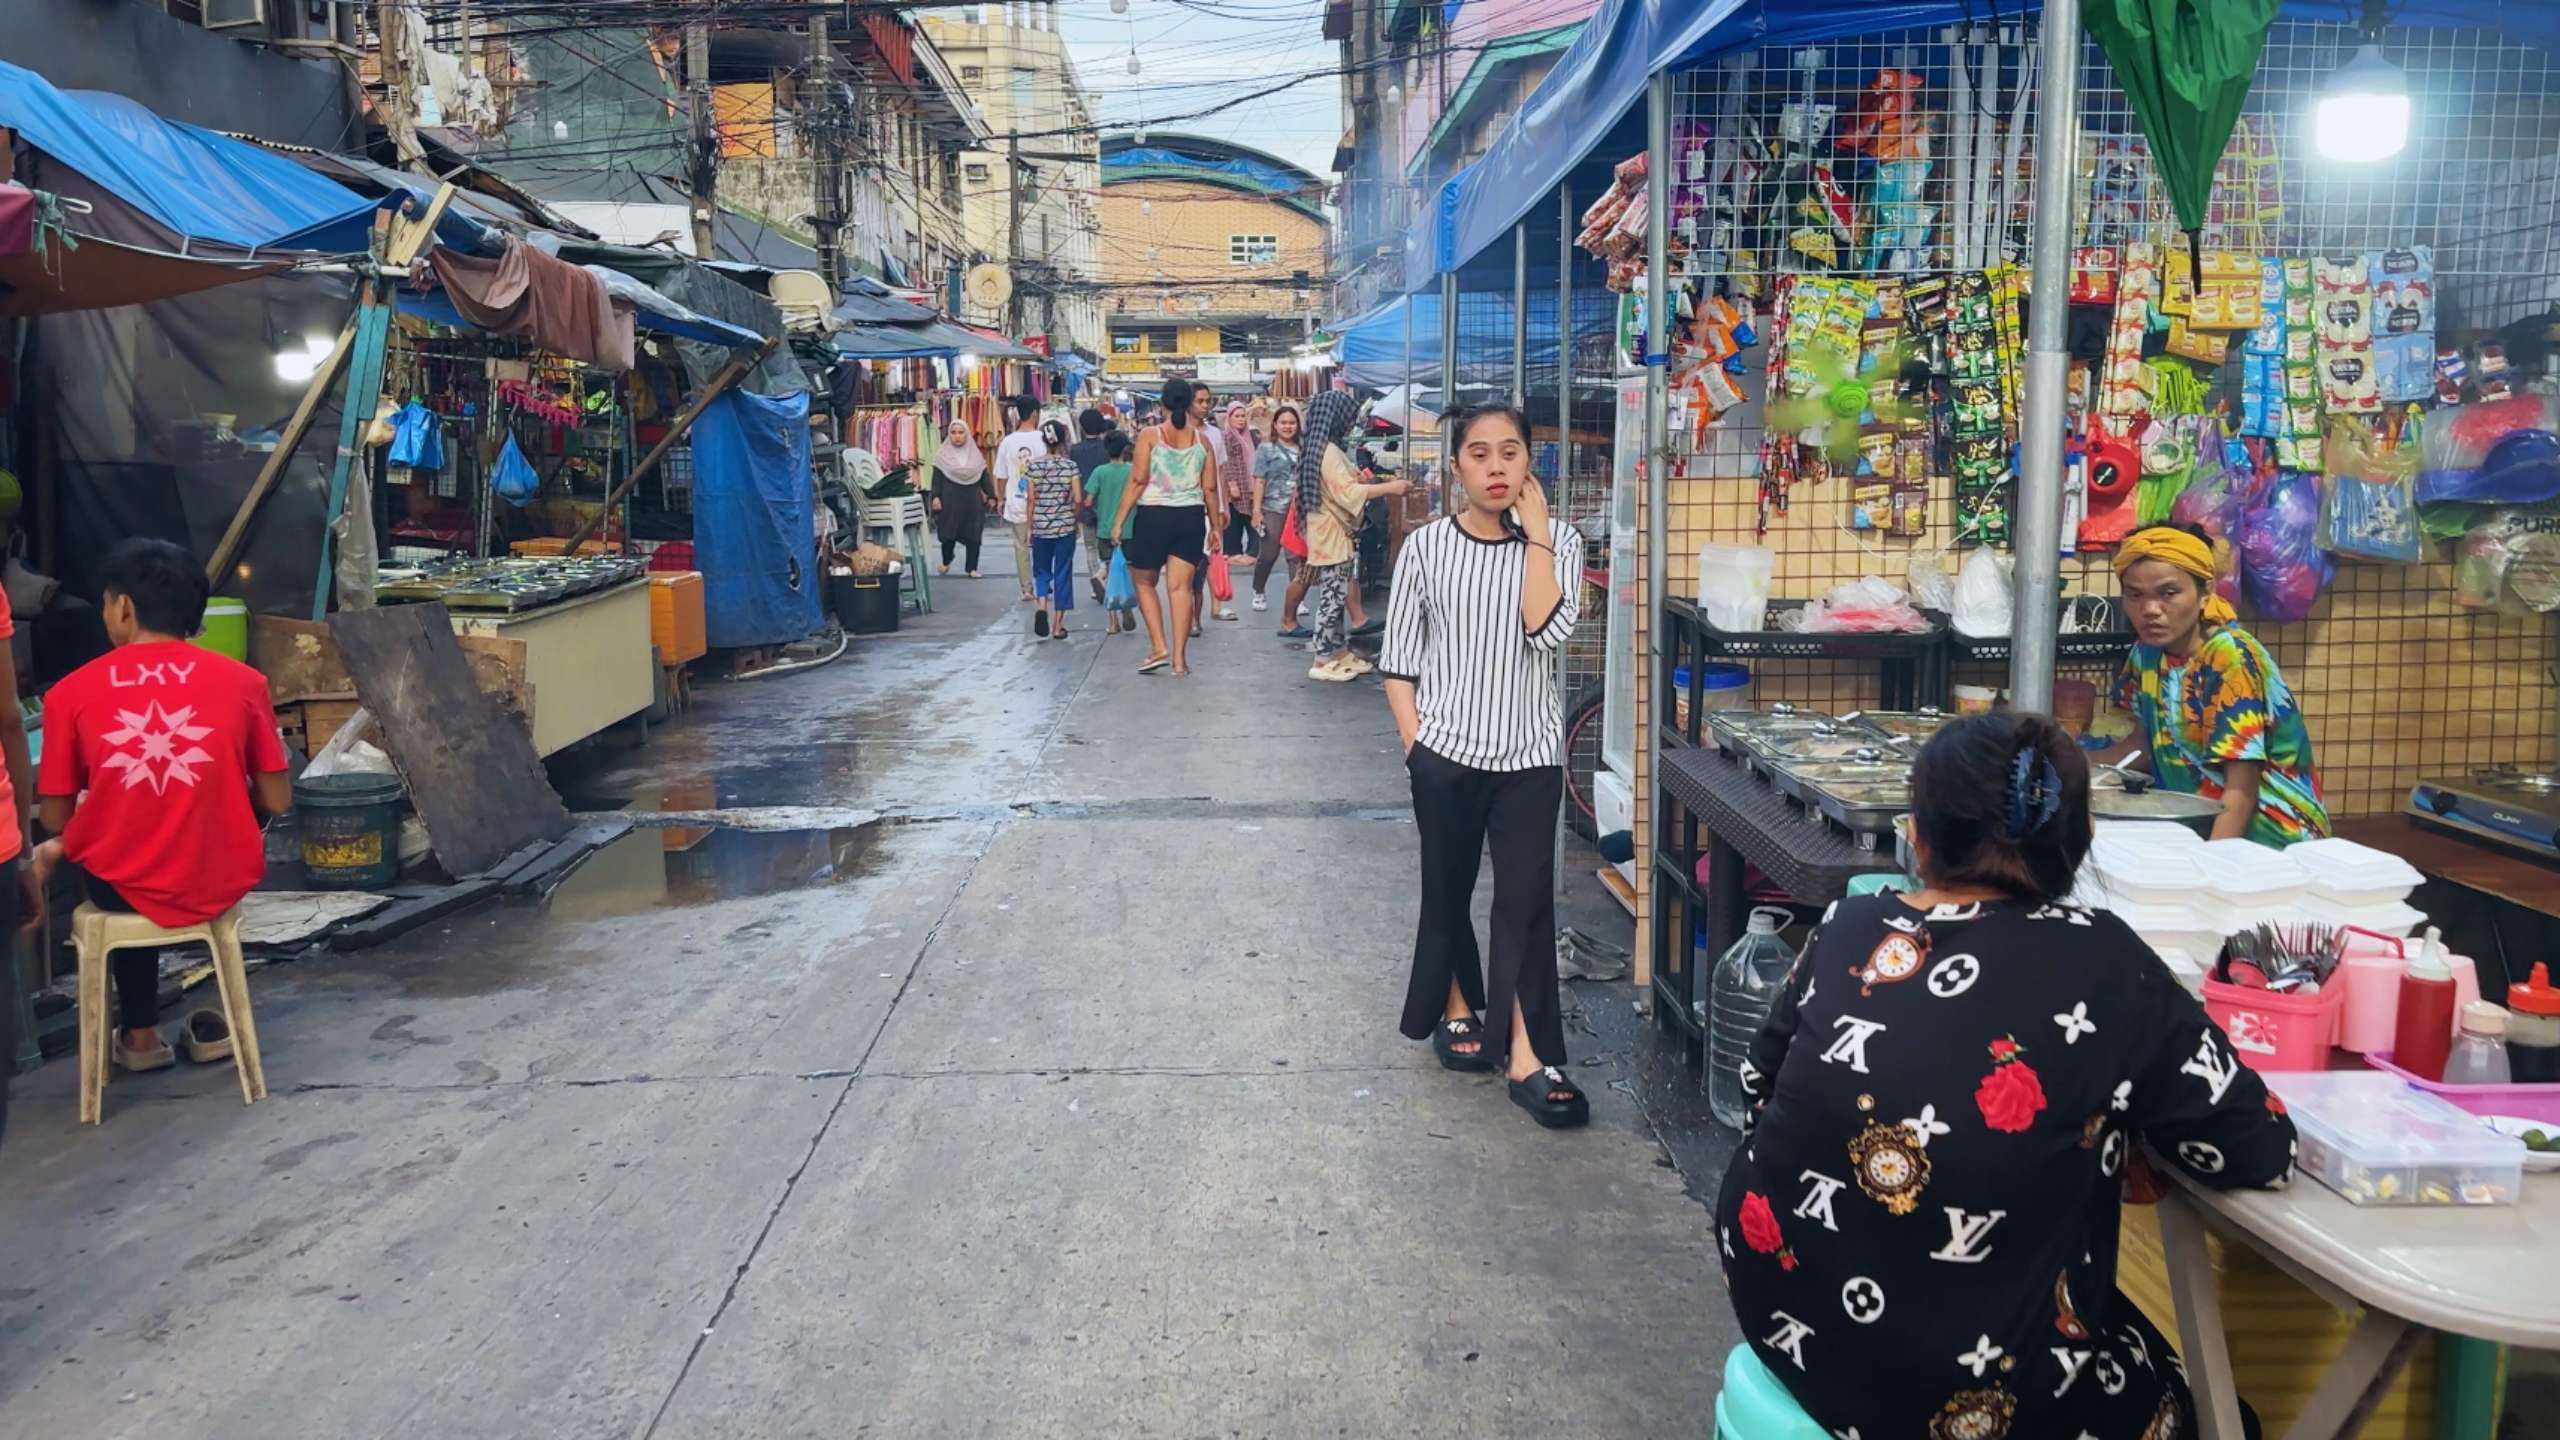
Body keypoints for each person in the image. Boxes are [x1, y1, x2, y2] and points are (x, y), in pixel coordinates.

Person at [1716, 711, 2298, 1440]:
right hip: (1967, 1392)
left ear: (1918, 837)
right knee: (2220, 1416)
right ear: (2080, 843)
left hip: (1784, 1306)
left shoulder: (1849, 926)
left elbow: (1757, 1094)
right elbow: (2257, 1148)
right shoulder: (2106, 963)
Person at [1380, 402, 1584, 1127]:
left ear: (1530, 461)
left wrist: (1536, 543)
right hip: (1446, 754)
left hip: (1528, 755)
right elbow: (1398, 661)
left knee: (1525, 904)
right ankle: (1457, 1005)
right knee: (1448, 887)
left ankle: (1526, 1054)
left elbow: (1544, 630)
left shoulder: (1562, 542)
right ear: (1455, 465)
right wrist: (1417, 747)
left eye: (1509, 453)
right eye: (1478, 454)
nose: (1496, 468)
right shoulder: (1427, 547)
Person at [38, 539, 291, 1072]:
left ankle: (141, 1037)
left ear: (123, 608)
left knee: (121, 856)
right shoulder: (245, 683)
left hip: (118, 885)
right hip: (219, 871)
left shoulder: (69, 693)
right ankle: (166, 1032)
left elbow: (55, 819)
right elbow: (277, 798)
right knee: (152, 849)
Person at [2105, 523, 2330, 846]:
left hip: (2270, 845)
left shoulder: (2229, 657)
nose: (2150, 610)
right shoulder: (2147, 654)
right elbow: (2144, 745)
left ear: (2205, 591)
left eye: (2169, 593)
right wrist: (2069, 766)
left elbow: (2241, 791)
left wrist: (2212, 869)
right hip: (2199, 831)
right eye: (2135, 595)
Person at [1299, 391, 1407, 681]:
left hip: (1328, 532)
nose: (1351, 424)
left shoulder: (1319, 447)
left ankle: (1336, 651)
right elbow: (1347, 494)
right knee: (1332, 596)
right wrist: (1390, 488)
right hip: (1331, 535)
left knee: (1337, 591)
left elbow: (1341, 486)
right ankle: (1322, 658)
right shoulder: (1329, 452)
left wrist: (1360, 480)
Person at [1115, 376, 1218, 676]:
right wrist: (1216, 529)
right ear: (1189, 404)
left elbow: (1137, 480)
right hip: (1191, 518)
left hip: (1154, 517)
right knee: (1180, 588)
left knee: (1145, 582)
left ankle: (1159, 646)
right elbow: (1210, 489)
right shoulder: (1203, 441)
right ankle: (1179, 660)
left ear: (1162, 403)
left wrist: (1120, 520)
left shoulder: (1151, 434)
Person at [1022, 419, 1084, 641]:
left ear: (1044, 440)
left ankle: (1041, 607)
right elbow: (1078, 498)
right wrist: (1074, 517)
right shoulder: (1070, 466)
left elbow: (1031, 499)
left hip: (1040, 527)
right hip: (1064, 527)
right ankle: (1058, 626)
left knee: (1041, 572)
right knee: (1063, 573)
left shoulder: (1033, 466)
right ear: (1063, 439)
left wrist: (1030, 527)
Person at [991, 397, 1046, 603]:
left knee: (1021, 546)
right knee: (1042, 545)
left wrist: (999, 498)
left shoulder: (1007, 441)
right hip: (1042, 503)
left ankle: (1026, 589)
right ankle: (1043, 584)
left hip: (1016, 502)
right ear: (1034, 414)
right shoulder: (1043, 439)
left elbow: (1001, 475)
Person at [1250, 404, 1302, 619]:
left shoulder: (1304, 447)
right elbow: (1259, 480)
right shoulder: (1265, 449)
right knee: (1269, 555)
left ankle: (1296, 598)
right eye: (1283, 422)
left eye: (1292, 422)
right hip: (1272, 508)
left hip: (1298, 508)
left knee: (1296, 556)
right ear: (1275, 425)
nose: (1288, 426)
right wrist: (1256, 511)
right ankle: (1258, 590)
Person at [928, 419, 995, 577]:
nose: (957, 436)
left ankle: (971, 568)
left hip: (972, 502)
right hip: (950, 502)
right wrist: (936, 497)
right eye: (953, 432)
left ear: (966, 435)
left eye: (960, 432)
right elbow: (936, 479)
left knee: (974, 535)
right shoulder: (942, 456)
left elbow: (984, 477)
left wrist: (991, 496)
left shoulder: (975, 456)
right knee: (947, 535)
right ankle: (946, 560)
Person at [1085, 431, 1135, 635]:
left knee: (1110, 568)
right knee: (1127, 571)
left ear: (1106, 449)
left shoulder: (1099, 471)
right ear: (1126, 449)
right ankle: (1127, 607)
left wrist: (1098, 509)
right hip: (1129, 529)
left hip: (1105, 529)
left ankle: (1113, 621)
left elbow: (1087, 501)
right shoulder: (1133, 470)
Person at [1069, 408, 1113, 606]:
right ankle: (1107, 580)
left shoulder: (1075, 450)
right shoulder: (1107, 447)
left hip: (1085, 502)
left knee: (1090, 547)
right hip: (1106, 505)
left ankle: (1096, 585)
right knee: (1109, 546)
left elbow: (1074, 478)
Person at [1216, 399, 1259, 566]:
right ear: (1230, 417)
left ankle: (1253, 551)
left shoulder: (1250, 436)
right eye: (1237, 416)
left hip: (1250, 485)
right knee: (1234, 519)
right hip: (1234, 485)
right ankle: (1233, 551)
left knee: (1251, 518)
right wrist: (1231, 484)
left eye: (1243, 416)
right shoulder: (1226, 436)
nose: (1241, 419)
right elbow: (1226, 462)